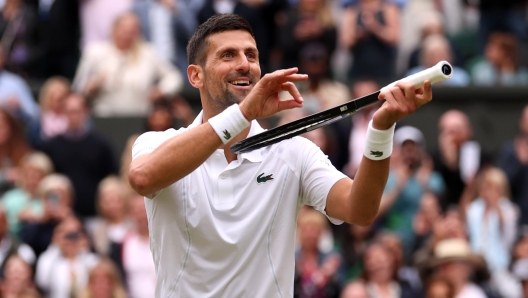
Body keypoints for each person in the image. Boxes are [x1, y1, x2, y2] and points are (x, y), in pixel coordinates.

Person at [128, 13, 433, 297]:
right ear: (196, 76)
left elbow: (361, 210)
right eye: (228, 55)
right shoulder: (157, 142)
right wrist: (242, 113)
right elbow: (143, 177)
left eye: (251, 55)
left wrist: (381, 128)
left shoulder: (293, 152)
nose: (245, 64)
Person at [72, 12, 183, 117]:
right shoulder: (95, 53)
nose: (128, 34)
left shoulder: (148, 53)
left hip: (139, 116)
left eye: (133, 30)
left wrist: (161, 90)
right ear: (114, 29)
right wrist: (91, 87)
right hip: (103, 118)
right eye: (124, 29)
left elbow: (174, 77)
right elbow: (77, 88)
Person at [40, 94, 118, 219]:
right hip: (60, 217)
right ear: (64, 113)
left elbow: (111, 178)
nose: (73, 116)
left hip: (95, 216)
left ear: (86, 112)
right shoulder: (51, 146)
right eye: (70, 111)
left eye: (77, 111)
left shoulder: (101, 145)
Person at [465, 167, 518, 272]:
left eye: (492, 188)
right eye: (486, 187)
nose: (487, 191)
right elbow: (467, 232)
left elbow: (509, 239)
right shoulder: (475, 208)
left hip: (499, 265)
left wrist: (495, 204)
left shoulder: (509, 209)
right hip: (475, 262)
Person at [35, 216, 98, 298]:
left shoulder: (91, 260)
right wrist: (55, 247)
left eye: (74, 234)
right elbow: (42, 282)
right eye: (67, 234)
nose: (70, 239)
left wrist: (84, 249)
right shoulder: (48, 259)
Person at [498, 104, 528, 226]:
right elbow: (502, 185)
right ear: (521, 123)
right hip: (516, 220)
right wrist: (520, 164)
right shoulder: (509, 151)